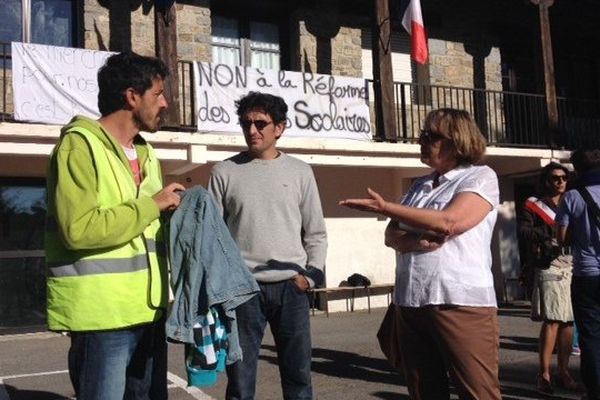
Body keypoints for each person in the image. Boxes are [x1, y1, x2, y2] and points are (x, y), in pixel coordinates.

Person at [45, 51, 185, 400]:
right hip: (101, 316)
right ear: (132, 96)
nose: (165, 103)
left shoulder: (147, 154)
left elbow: (150, 225)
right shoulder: (79, 145)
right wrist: (152, 205)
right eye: (158, 94)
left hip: (149, 310)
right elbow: (78, 229)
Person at [339, 108, 501, 399]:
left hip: (458, 300)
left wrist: (385, 207)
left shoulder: (479, 177)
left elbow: (450, 222)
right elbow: (392, 235)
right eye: (422, 135)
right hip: (411, 300)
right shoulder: (420, 185)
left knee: (478, 392)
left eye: (431, 136)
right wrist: (418, 240)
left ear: (457, 141)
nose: (421, 141)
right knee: (423, 391)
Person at [208, 91, 327, 400]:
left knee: (298, 376)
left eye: (260, 123)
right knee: (240, 381)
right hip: (243, 291)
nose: (252, 130)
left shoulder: (301, 172)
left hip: (292, 288)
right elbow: (213, 237)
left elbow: (316, 232)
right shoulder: (224, 172)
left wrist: (310, 277)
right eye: (246, 123)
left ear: (280, 127)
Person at [517, 162, 578, 394]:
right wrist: (549, 234)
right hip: (548, 264)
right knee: (552, 319)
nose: (560, 181)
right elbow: (523, 231)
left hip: (574, 264)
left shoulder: (573, 201)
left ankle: (564, 372)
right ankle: (544, 374)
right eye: (555, 178)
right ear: (546, 180)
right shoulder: (533, 205)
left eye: (563, 177)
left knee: (569, 321)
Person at [557, 148, 600, 400]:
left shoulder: (572, 196)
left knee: (591, 335)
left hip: (587, 272)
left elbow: (561, 237)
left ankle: (594, 391)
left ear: (577, 169)